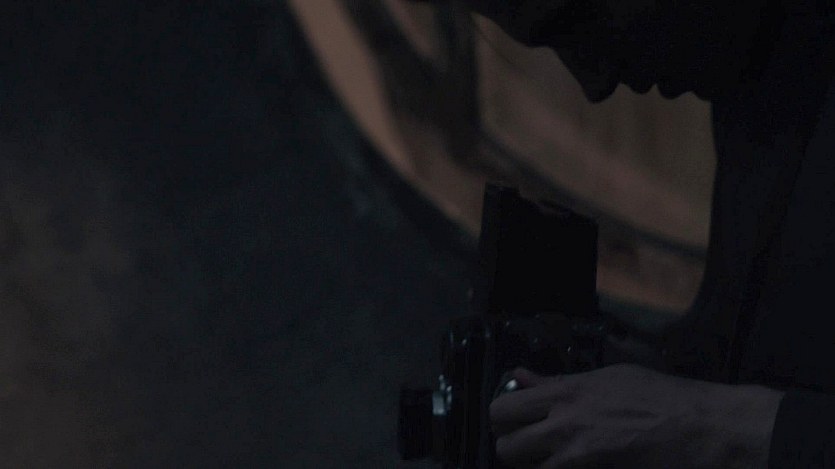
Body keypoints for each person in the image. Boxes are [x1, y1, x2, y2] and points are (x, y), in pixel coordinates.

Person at [408, 0, 835, 467]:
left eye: (582, 21)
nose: (595, 85)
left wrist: (714, 427)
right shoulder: (761, 77)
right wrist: (627, 369)